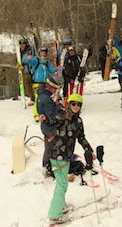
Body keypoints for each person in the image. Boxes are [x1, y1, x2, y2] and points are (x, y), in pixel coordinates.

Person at [41, 93, 94, 224]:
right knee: (62, 183)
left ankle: (60, 205)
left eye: (78, 104)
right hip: (57, 154)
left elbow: (81, 137)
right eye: (73, 104)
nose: (76, 106)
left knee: (62, 183)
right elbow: (53, 120)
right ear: (69, 105)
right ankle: (54, 215)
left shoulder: (78, 121)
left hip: (66, 156)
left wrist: (88, 149)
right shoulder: (62, 116)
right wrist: (45, 118)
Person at [36, 76, 63, 177]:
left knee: (48, 147)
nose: (55, 91)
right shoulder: (46, 99)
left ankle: (47, 166)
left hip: (45, 126)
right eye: (54, 88)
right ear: (49, 87)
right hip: (49, 127)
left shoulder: (41, 95)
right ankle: (48, 167)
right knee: (51, 147)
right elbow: (51, 115)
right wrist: (59, 105)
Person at [26, 47, 58, 121]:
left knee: (45, 99)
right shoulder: (36, 60)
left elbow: (51, 70)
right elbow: (30, 61)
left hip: (45, 83)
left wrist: (58, 68)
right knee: (38, 99)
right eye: (42, 52)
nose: (43, 54)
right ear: (39, 53)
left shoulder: (47, 62)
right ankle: (36, 114)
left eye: (44, 52)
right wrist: (29, 58)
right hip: (37, 83)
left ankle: (44, 113)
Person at [18, 39, 36, 106]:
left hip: (32, 69)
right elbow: (17, 60)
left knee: (34, 84)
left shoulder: (30, 50)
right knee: (28, 85)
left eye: (23, 44)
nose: (22, 45)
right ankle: (32, 98)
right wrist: (19, 65)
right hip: (25, 70)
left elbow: (36, 47)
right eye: (21, 44)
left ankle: (37, 97)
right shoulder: (20, 52)